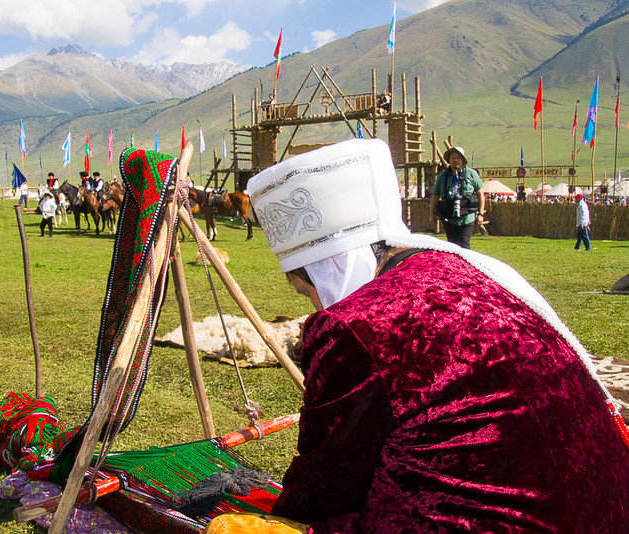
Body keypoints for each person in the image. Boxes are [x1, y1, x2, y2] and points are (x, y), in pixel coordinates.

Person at [206, 139, 629, 533]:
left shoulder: (356, 325)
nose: (316, 305)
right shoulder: (463, 270)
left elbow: (328, 477)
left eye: (306, 289)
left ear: (326, 268)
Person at [429, 146, 484, 249]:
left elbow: (481, 194)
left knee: (464, 244)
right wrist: (431, 214)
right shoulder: (442, 176)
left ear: (463, 160)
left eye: (458, 157)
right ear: (449, 160)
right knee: (452, 246)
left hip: (467, 217)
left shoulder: (471, 174)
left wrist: (480, 214)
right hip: (449, 218)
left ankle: (466, 265)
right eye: (453, 158)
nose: (455, 160)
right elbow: (435, 196)